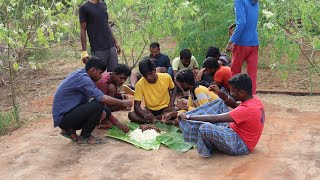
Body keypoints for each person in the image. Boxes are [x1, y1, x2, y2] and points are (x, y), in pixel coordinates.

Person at [179, 73, 265, 157]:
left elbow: (215, 118)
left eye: (232, 91)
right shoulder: (254, 99)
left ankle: (207, 150)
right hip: (236, 132)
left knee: (205, 128)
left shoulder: (246, 109)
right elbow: (234, 105)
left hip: (240, 145)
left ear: (241, 93)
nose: (230, 93)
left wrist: (189, 116)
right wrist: (219, 93)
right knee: (219, 103)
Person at [52, 56, 132, 144]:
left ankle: (69, 130)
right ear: (92, 70)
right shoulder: (84, 79)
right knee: (98, 105)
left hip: (64, 115)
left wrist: (117, 123)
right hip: (63, 119)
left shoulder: (80, 73)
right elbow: (102, 99)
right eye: (100, 73)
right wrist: (123, 103)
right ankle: (84, 137)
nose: (101, 76)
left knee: (98, 105)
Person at [128, 58, 177, 124]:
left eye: (150, 74)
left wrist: (172, 101)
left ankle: (152, 121)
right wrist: (145, 115)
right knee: (131, 115)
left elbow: (174, 88)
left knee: (173, 112)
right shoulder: (139, 84)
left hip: (165, 109)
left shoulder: (166, 77)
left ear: (154, 70)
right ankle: (158, 121)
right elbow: (137, 106)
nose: (148, 77)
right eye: (145, 76)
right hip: (150, 110)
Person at [226, 0, 259, 95]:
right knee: (252, 74)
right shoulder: (255, 2)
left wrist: (230, 42)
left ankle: (234, 97)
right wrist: (233, 25)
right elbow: (249, 20)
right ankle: (252, 98)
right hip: (254, 42)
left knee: (235, 72)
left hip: (241, 43)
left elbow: (242, 23)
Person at [79, 0, 121, 72]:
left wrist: (115, 42)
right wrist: (84, 51)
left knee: (113, 73)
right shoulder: (84, 8)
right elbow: (83, 29)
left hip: (111, 46)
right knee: (98, 75)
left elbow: (107, 25)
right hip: (98, 48)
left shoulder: (103, 4)